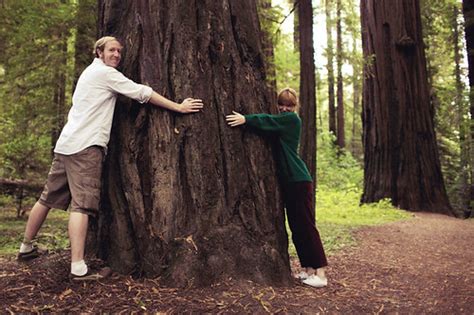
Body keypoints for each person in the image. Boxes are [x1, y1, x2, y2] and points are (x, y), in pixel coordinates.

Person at [17, 36, 204, 280]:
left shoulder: (89, 73)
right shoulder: (105, 74)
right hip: (85, 147)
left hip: (66, 144)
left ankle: (26, 247)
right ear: (99, 52)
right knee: (82, 205)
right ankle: (78, 268)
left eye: (119, 51)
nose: (116, 54)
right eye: (111, 50)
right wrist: (178, 107)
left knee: (47, 199)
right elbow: (142, 93)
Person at [225, 88, 328, 288]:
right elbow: (269, 125)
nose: (284, 108)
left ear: (294, 106)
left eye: (288, 105)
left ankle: (321, 273)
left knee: (306, 226)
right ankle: (308, 269)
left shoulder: (291, 119)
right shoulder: (283, 121)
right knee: (296, 227)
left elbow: (268, 121)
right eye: (281, 104)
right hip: (290, 182)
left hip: (299, 180)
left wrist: (246, 119)